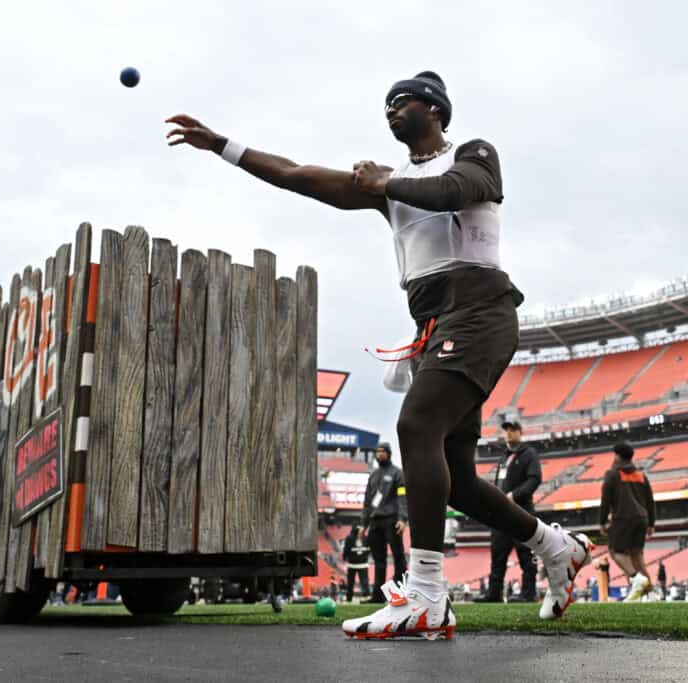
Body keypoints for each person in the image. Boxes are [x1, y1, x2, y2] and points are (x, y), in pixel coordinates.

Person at [166, 70, 592, 640]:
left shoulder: (472, 153)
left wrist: (383, 183)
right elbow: (297, 175)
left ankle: (427, 594)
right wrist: (223, 146)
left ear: (435, 109)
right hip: (435, 320)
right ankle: (555, 546)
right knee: (459, 480)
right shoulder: (390, 186)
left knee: (415, 426)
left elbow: (456, 191)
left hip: (480, 310)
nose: (392, 108)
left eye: (404, 100)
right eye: (386, 103)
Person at [476, 421, 541, 603]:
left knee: (526, 555)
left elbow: (534, 479)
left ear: (520, 432)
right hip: (501, 515)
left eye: (513, 430)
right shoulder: (504, 457)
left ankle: (528, 593)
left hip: (521, 512)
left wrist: (515, 495)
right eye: (506, 430)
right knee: (498, 554)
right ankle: (493, 593)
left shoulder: (529, 454)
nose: (509, 434)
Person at [599, 442, 656, 602]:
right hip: (642, 519)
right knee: (637, 555)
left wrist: (602, 521)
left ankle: (635, 578)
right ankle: (650, 594)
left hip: (623, 518)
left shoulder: (612, 474)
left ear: (617, 456)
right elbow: (650, 501)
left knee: (615, 552)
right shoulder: (641, 475)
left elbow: (605, 500)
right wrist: (651, 523)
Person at [358, 444, 407, 602]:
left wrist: (402, 518)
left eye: (382, 452)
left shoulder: (397, 474)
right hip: (375, 522)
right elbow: (367, 502)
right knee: (379, 560)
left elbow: (402, 497)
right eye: (377, 452)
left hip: (392, 520)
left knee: (398, 556)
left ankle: (400, 592)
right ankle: (377, 596)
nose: (379, 455)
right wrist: (363, 524)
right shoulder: (373, 476)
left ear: (389, 454)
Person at [342, 525, 371, 602]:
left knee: (353, 582)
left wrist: (344, 558)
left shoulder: (350, 538)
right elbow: (369, 549)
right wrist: (365, 556)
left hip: (354, 564)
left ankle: (349, 598)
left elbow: (346, 550)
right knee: (363, 581)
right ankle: (366, 596)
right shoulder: (365, 537)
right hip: (361, 564)